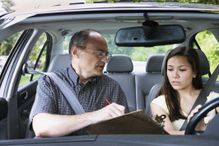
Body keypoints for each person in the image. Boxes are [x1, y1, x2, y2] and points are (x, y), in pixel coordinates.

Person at [29, 29, 129, 137]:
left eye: (106, 55)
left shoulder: (112, 87)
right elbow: (41, 127)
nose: (105, 60)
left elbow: (125, 129)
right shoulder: (50, 82)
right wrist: (94, 116)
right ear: (75, 52)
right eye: (99, 53)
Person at [150, 46, 219, 135]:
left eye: (182, 70)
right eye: (170, 69)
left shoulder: (214, 98)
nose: (175, 75)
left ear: (194, 72)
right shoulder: (158, 103)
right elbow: (169, 134)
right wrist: (199, 131)